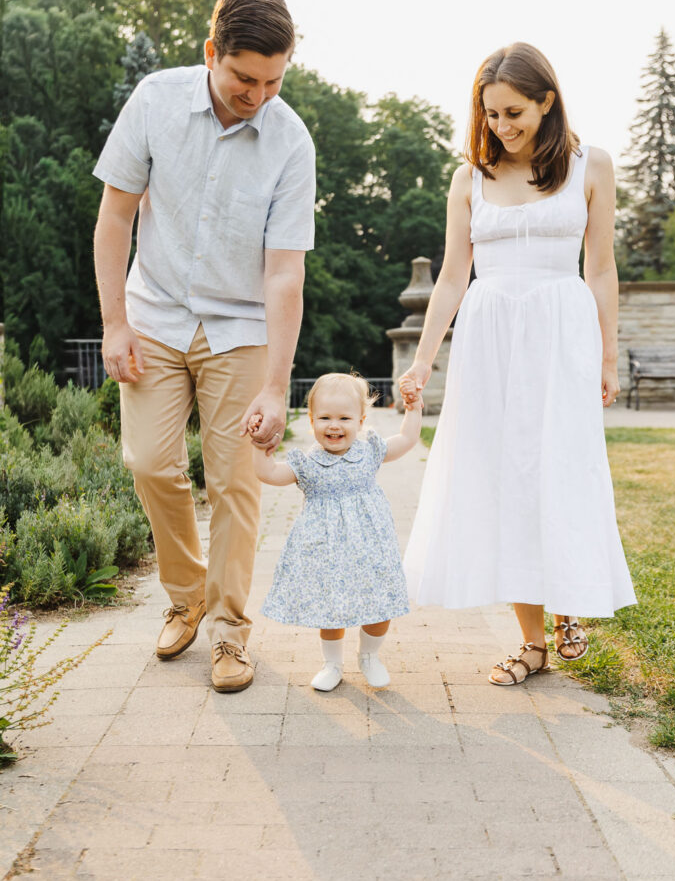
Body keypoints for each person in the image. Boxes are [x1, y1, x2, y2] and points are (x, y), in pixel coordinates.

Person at [93, 0, 316, 693]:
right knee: (151, 462)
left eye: (274, 80)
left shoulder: (290, 140)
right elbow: (114, 219)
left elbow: (283, 274)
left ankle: (228, 631)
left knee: (235, 481)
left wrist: (278, 386)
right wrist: (113, 323)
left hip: (240, 325)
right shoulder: (156, 100)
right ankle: (187, 594)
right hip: (152, 312)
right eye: (244, 78)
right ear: (211, 52)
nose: (258, 95)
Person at [399, 42, 636, 686]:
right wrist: (422, 363)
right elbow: (452, 277)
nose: (501, 126)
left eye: (514, 112)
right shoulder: (467, 177)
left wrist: (608, 353)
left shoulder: (593, 167)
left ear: (546, 103)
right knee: (502, 480)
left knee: (560, 470)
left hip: (561, 333)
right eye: (491, 115)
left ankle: (569, 604)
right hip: (490, 337)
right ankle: (531, 641)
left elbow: (602, 268)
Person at [250, 373, 422, 691]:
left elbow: (407, 440)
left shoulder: (370, 451)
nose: (335, 425)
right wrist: (261, 445)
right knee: (332, 608)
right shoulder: (308, 464)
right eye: (325, 417)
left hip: (371, 548)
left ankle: (369, 656)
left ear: (361, 420)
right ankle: (332, 663)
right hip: (327, 550)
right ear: (312, 420)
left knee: (379, 602)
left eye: (345, 417)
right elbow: (269, 474)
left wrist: (413, 409)